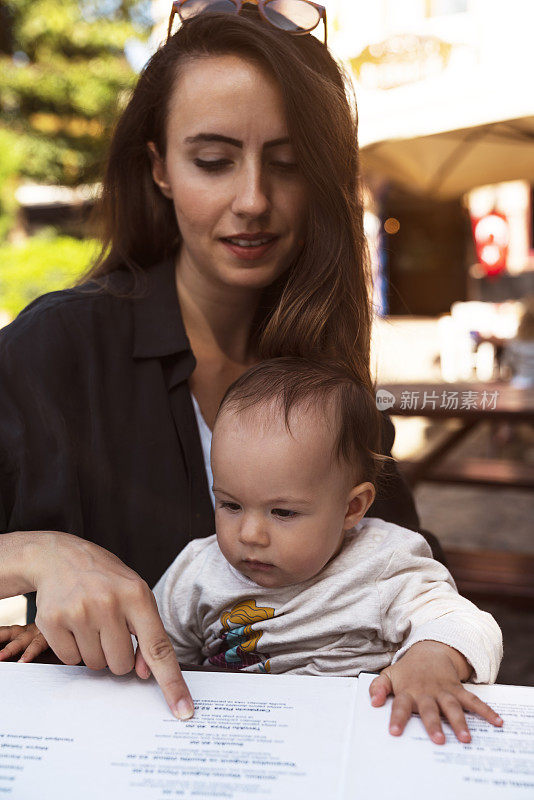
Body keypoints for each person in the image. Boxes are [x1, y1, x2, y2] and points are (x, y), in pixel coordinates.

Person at [0, 3, 442, 722]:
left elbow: (411, 578)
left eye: (289, 164)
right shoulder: (56, 351)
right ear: (160, 169)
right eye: (212, 161)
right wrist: (38, 555)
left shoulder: (326, 376)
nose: (253, 200)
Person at [0, 359, 503, 745]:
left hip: (360, 741)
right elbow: (153, 652)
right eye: (231, 505)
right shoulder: (200, 570)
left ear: (352, 507)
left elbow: (468, 624)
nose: (250, 535)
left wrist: (431, 658)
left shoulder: (383, 561)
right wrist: (71, 638)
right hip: (241, 746)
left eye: (283, 513)